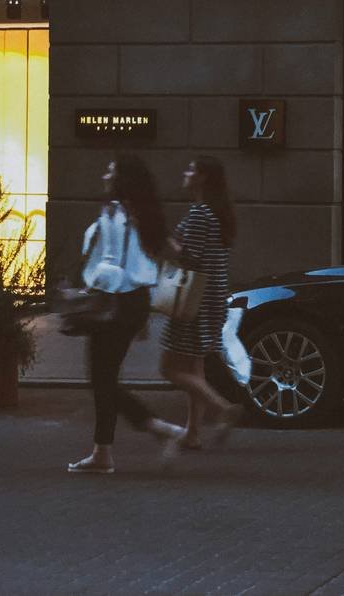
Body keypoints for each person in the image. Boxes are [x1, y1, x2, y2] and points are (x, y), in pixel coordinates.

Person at [68, 156, 184, 474]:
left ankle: (160, 429)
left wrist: (89, 290)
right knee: (104, 378)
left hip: (112, 301)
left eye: (110, 170)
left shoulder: (114, 211)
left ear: (121, 179)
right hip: (134, 303)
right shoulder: (143, 213)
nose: (104, 174)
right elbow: (172, 251)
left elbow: (109, 264)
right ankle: (102, 452)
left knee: (102, 379)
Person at [159, 156, 240, 449]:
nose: (185, 172)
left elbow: (188, 257)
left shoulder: (199, 214)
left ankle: (222, 408)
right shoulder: (218, 214)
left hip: (193, 301)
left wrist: (167, 245)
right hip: (213, 299)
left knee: (168, 368)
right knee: (195, 368)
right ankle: (192, 433)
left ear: (203, 178)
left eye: (191, 169)